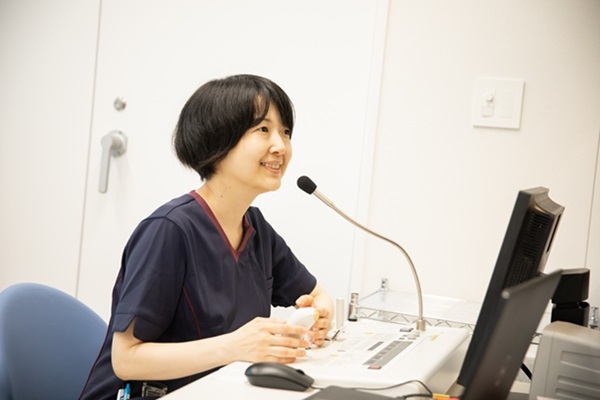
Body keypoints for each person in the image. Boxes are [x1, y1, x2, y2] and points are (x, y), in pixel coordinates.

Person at [79, 74, 334, 399]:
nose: (281, 146)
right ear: (218, 141)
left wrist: (321, 315)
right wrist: (236, 346)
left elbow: (316, 294)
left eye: (285, 132)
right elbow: (126, 359)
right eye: (263, 129)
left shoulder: (255, 227)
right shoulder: (169, 230)